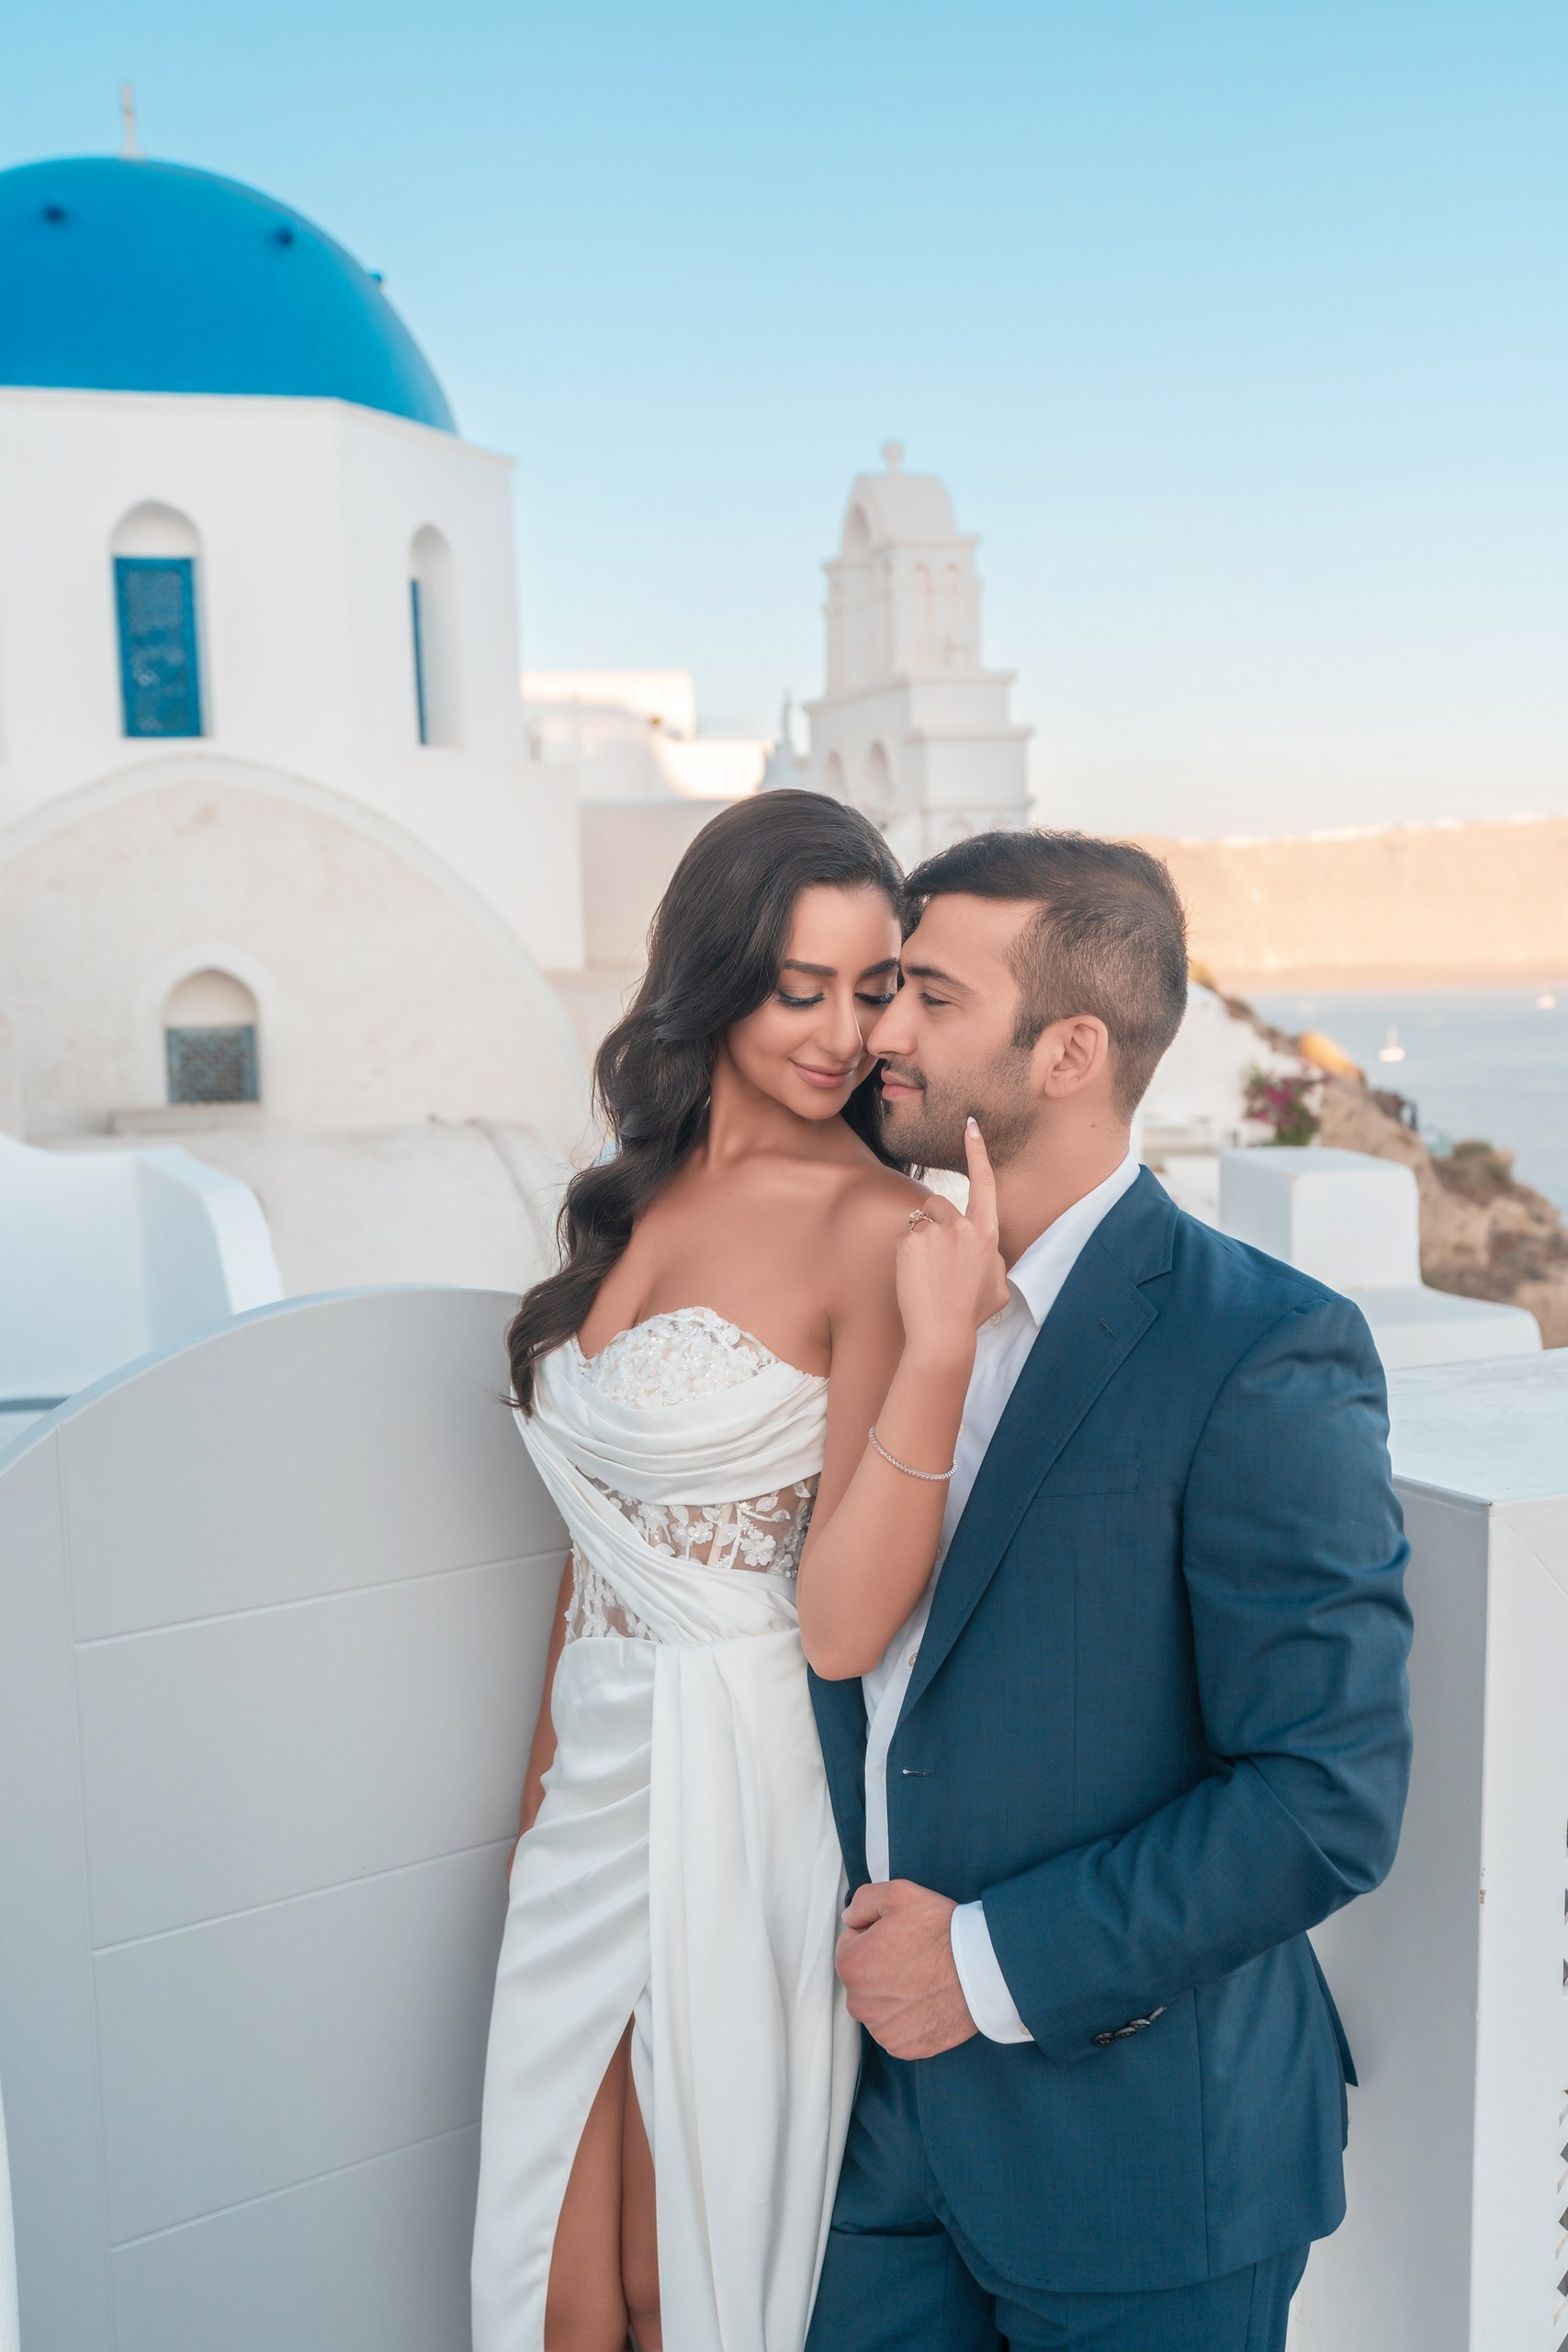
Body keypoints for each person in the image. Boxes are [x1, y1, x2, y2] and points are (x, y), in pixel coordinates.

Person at [804, 829, 1414, 2352]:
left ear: (1070, 1050)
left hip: (1147, 2161)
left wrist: (984, 1967)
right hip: (870, 2151)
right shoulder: (874, 1293)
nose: (882, 1032)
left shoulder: (1262, 1348)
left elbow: (1326, 1794)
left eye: (929, 997)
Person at [471, 791, 1006, 2352]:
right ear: (710, 979)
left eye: (873, 989)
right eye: (800, 990)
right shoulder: (631, 1201)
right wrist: (532, 1825)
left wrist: (937, 1352)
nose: (845, 1034)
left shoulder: (882, 1229)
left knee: (679, 2280)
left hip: (745, 1787)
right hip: (588, 1805)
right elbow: (593, 1571)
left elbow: (841, 1624)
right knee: (550, 2274)